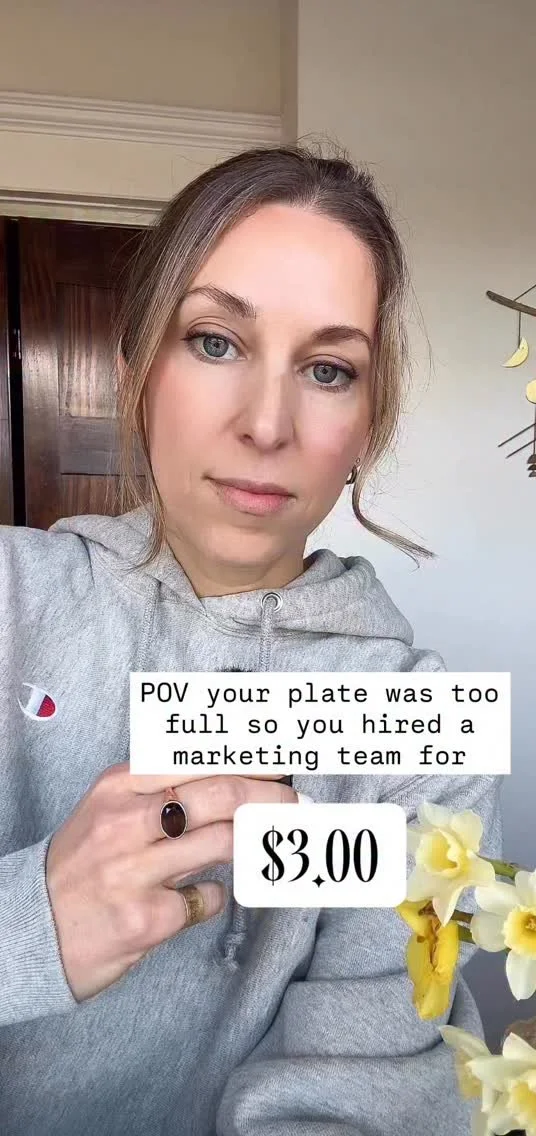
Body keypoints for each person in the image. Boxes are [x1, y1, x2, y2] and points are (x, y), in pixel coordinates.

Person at [0, 144, 502, 1135]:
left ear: (368, 424)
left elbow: (357, 1091)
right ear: (134, 373)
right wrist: (32, 922)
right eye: (215, 342)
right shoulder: (12, 602)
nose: (267, 424)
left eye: (328, 369)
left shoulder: (417, 729)